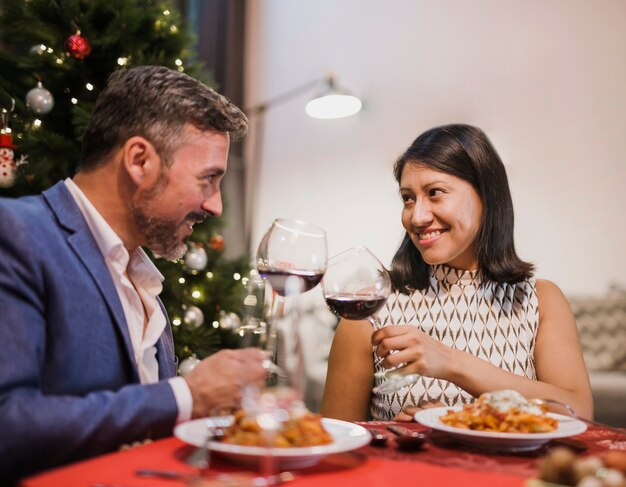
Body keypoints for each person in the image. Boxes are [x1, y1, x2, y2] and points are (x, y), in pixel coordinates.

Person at [0, 65, 267, 481]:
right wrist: (187, 395)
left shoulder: (144, 279)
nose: (215, 206)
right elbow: (8, 424)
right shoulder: (15, 233)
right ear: (139, 160)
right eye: (208, 179)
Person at [321, 124, 593, 422]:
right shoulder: (372, 307)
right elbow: (338, 437)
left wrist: (451, 365)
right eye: (408, 198)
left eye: (435, 193)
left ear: (486, 196)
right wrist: (389, 435)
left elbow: (578, 413)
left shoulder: (540, 299)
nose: (417, 216)